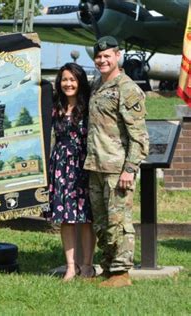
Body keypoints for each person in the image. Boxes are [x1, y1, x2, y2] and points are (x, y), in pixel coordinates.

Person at [84, 36, 149, 287]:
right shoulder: (97, 85)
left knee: (119, 222)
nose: (102, 60)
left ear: (117, 56)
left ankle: (122, 272)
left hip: (117, 168)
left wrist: (129, 169)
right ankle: (109, 267)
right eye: (98, 57)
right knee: (102, 223)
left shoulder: (127, 88)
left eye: (106, 56)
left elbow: (139, 136)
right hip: (96, 165)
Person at [45, 63, 95, 281]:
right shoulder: (54, 106)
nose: (68, 83)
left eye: (73, 79)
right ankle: (70, 267)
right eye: (65, 79)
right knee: (66, 218)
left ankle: (87, 265)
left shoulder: (89, 106)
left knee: (85, 218)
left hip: (83, 164)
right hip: (60, 165)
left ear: (80, 82)